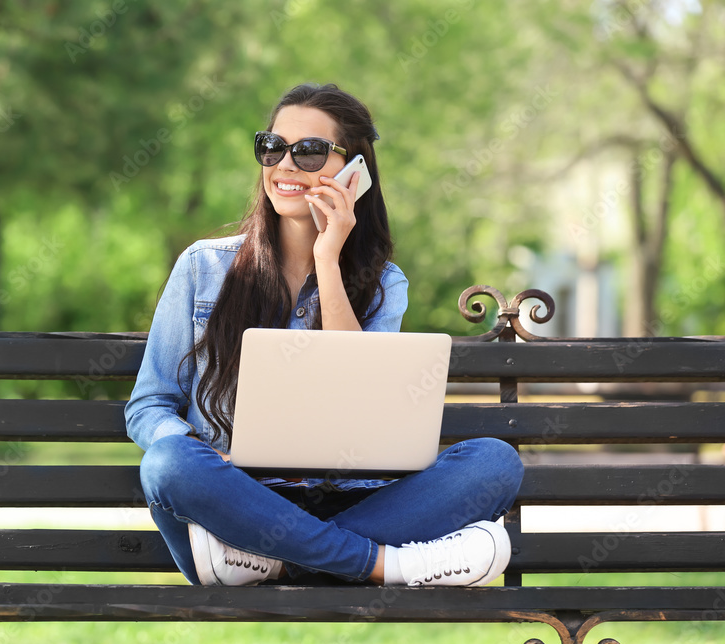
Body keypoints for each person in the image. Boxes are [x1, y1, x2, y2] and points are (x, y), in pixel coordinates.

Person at [124, 83, 523, 587]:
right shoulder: (203, 266)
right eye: (272, 146)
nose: (284, 165)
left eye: (309, 151)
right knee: (168, 464)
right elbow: (148, 406)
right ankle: (382, 566)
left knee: (494, 463)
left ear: (354, 174)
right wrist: (206, 457)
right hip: (236, 498)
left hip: (351, 495)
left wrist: (328, 261)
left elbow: (361, 399)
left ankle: (270, 563)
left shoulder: (383, 283)